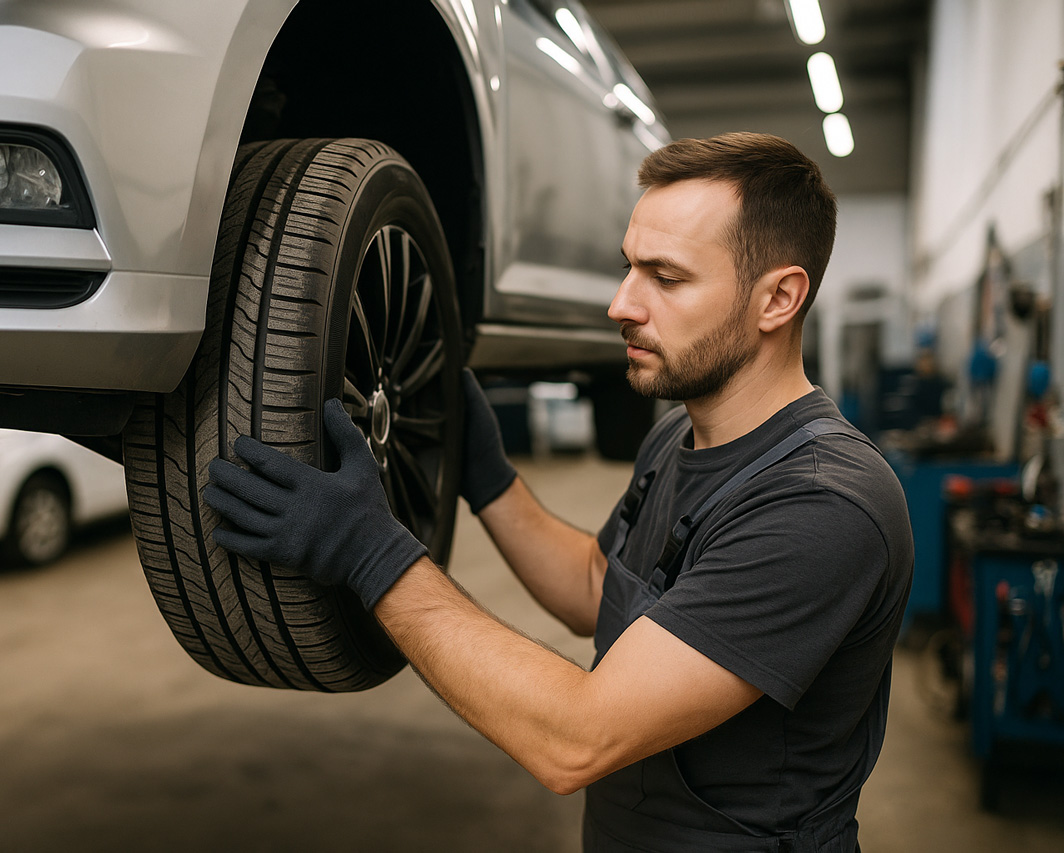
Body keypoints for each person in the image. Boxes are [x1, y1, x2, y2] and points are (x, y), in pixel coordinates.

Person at [202, 132, 914, 852]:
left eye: (665, 277)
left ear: (779, 299)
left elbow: (577, 736)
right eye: (628, 267)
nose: (621, 304)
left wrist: (371, 551)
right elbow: (595, 584)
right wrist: (487, 477)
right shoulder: (679, 438)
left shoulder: (823, 505)